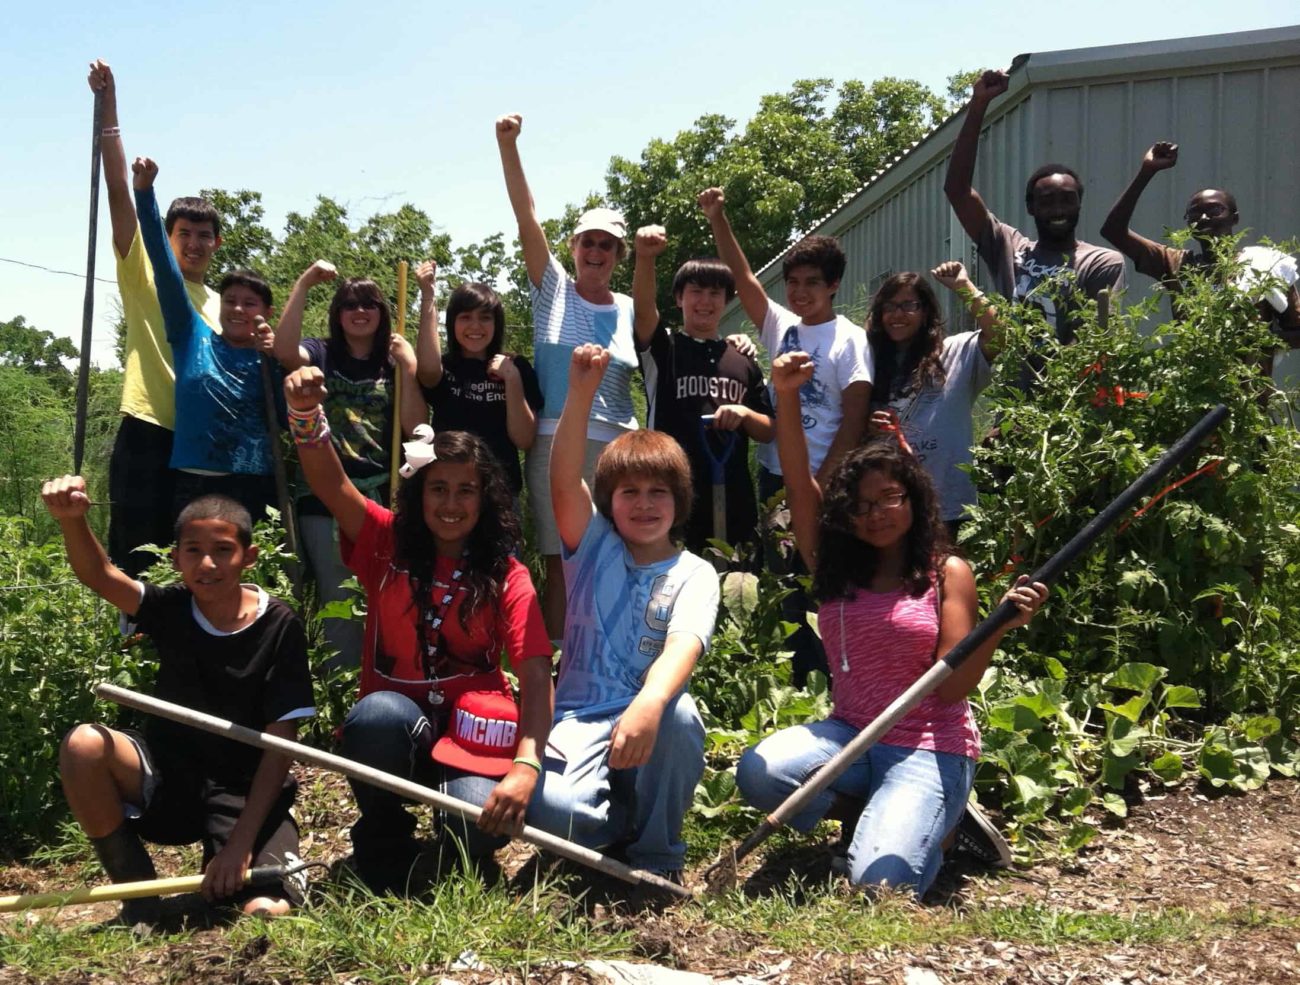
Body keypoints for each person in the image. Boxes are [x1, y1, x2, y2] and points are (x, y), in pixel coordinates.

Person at [734, 351, 1049, 897]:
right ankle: (875, 809)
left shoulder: (947, 573)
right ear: (842, 515)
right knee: (760, 771)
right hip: (851, 737)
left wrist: (999, 626)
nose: (875, 513)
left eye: (889, 499)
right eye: (860, 505)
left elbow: (953, 685)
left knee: (878, 886)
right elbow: (796, 476)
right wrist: (785, 395)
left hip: (929, 745)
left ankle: (944, 824)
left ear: (914, 501)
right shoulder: (832, 569)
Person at [283, 366, 553, 893]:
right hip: (398, 727)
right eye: (439, 489)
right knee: (374, 719)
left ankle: (456, 831)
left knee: (473, 828)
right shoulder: (385, 542)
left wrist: (526, 766)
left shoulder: (506, 574)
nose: (451, 505)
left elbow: (536, 670)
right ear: (418, 493)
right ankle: (385, 837)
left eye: (466, 491)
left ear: (485, 498)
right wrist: (305, 415)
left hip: (475, 737)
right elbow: (329, 485)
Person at [43, 477, 314, 923]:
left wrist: (238, 848)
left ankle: (235, 860)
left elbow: (282, 745)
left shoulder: (280, 625)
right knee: (83, 745)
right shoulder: (170, 607)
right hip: (171, 781)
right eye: (193, 550)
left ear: (249, 557)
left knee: (266, 910)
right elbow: (99, 575)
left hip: (243, 792)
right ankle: (139, 896)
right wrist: (72, 521)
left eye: (223, 550)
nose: (207, 563)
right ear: (175, 559)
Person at [526, 345, 719, 883]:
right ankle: (616, 826)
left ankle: (659, 856)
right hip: (579, 720)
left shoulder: (695, 572)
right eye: (629, 492)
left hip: (649, 714)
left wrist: (649, 703)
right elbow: (564, 480)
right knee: (551, 818)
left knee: (678, 715)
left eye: (659, 492)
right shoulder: (590, 547)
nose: (644, 504)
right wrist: (581, 392)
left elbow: (684, 644)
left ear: (679, 502)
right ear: (607, 502)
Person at [700, 186, 871, 684]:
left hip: (825, 484)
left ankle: (835, 679)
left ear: (834, 285)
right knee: (784, 587)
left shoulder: (851, 340)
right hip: (773, 479)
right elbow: (745, 277)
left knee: (825, 585)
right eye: (793, 282)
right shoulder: (783, 327)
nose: (799, 292)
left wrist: (818, 485)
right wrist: (717, 216)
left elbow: (854, 420)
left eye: (811, 283)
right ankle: (794, 683)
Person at [496, 113, 642, 641]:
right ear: (575, 247)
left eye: (607, 245)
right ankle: (561, 670)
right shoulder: (551, 289)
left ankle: (616, 657)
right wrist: (507, 145)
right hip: (557, 443)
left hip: (617, 449)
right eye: (588, 243)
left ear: (618, 256)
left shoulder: (627, 307)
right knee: (562, 562)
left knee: (619, 559)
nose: (596, 253)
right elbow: (525, 215)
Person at [87, 61, 224, 577]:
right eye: (183, 232)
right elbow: (119, 189)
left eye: (203, 235)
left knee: (196, 562)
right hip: (146, 431)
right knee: (135, 557)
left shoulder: (221, 305)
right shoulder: (143, 273)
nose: (193, 243)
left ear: (217, 243)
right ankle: (131, 652)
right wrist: (109, 107)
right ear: (166, 237)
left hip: (202, 448)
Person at [272, 259, 426, 670]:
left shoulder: (392, 362)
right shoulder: (321, 353)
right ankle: (341, 690)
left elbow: (414, 425)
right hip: (326, 497)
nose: (360, 312)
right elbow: (284, 351)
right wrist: (304, 281)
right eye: (350, 305)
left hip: (381, 494)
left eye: (369, 305)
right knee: (337, 599)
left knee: (387, 595)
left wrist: (408, 368)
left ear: (382, 313)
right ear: (337, 314)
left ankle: (386, 679)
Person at [132, 157, 282, 522]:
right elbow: (162, 262)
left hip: (251, 484)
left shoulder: (269, 358)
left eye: (249, 304)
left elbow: (285, 417)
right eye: (230, 301)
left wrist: (276, 356)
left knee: (252, 572)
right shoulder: (190, 334)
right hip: (191, 484)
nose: (237, 310)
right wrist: (144, 192)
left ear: (266, 311)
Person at [944, 69, 1126, 356]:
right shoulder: (1008, 248)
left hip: (1068, 397)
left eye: (1067, 199)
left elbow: (1096, 336)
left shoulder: (1100, 262)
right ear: (1030, 207)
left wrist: (1056, 389)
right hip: (1012, 400)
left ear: (1080, 203)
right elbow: (957, 191)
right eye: (1046, 200)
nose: (1057, 209)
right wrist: (979, 104)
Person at [631, 225, 774, 563]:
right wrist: (646, 258)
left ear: (726, 300)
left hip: (735, 492)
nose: (705, 302)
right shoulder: (664, 350)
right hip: (673, 492)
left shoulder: (743, 360)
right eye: (695, 291)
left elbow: (769, 429)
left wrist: (744, 414)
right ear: (679, 298)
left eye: (715, 293)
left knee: (741, 582)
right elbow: (644, 311)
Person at [1100, 140, 1300, 377]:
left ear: (1234, 218)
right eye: (1195, 212)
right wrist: (1147, 171)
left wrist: (1250, 341)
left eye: (1215, 210)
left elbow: (1297, 332)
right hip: (1191, 400)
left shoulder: (1265, 267)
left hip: (1249, 402)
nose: (1204, 217)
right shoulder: (1176, 264)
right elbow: (1113, 230)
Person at [866, 263, 1002, 540]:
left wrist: (964, 287)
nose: (897, 315)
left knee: (941, 579)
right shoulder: (868, 360)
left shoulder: (955, 353)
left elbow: (999, 336)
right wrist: (867, 427)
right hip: (887, 503)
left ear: (925, 311)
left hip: (944, 503)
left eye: (908, 305)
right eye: (889, 307)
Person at [414, 262, 543, 501]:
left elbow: (524, 439)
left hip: (500, 493)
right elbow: (428, 370)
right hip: (449, 492)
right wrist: (428, 294)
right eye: (465, 317)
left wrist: (512, 379)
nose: (475, 326)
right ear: (452, 323)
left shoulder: (517, 367)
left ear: (497, 323)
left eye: (485, 318)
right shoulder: (446, 367)